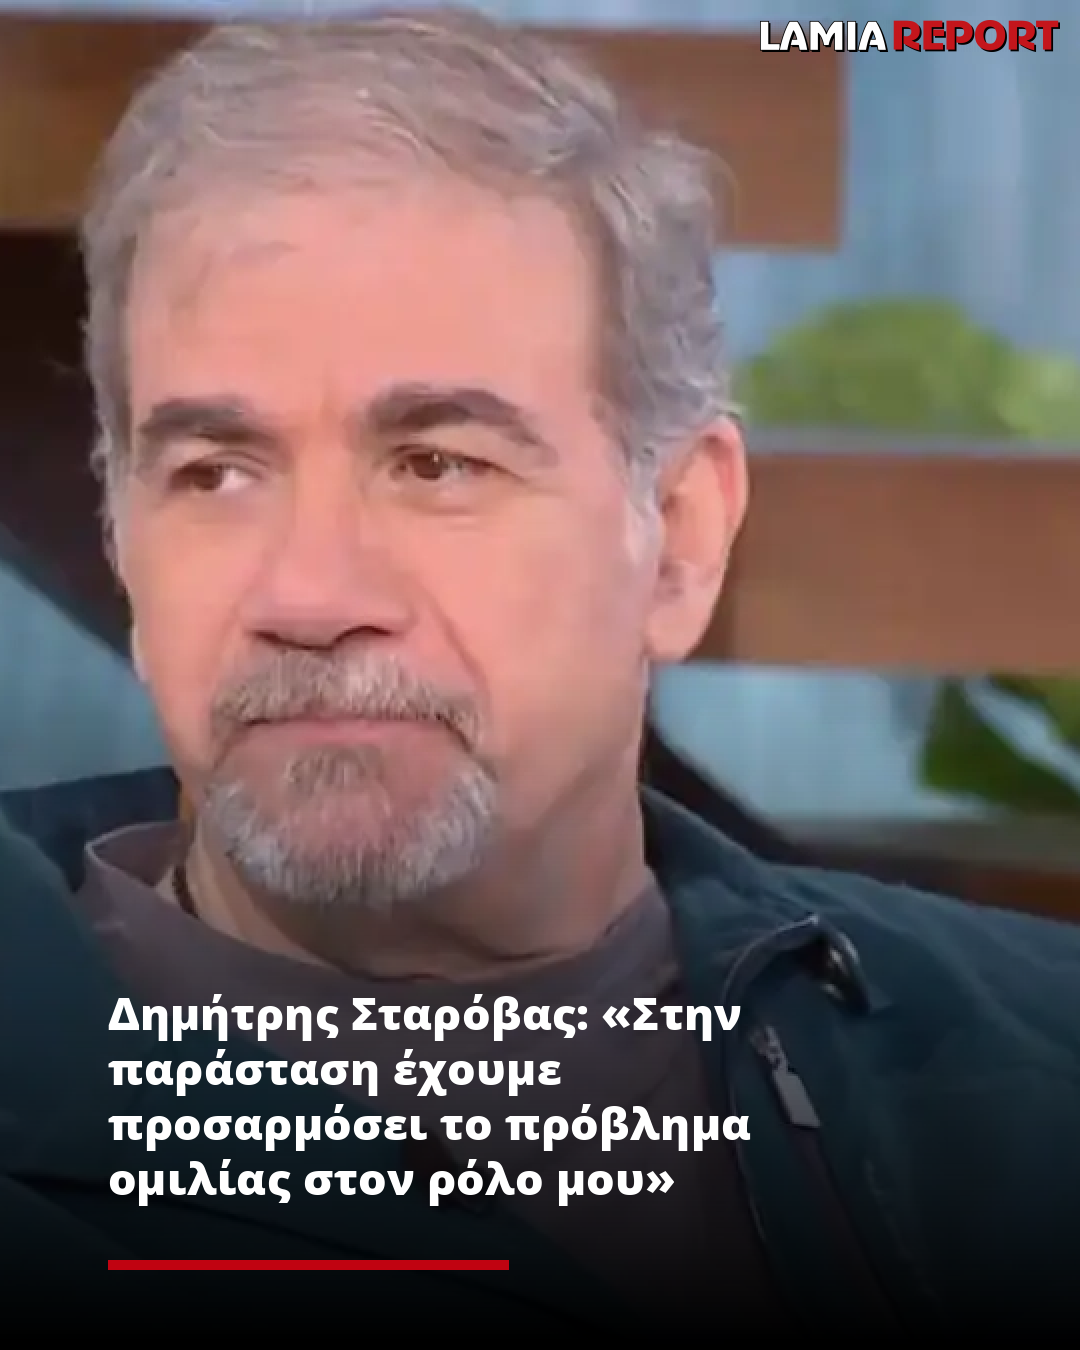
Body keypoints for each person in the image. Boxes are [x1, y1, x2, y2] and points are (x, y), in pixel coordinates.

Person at [2, 8, 1079, 1335]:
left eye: (437, 463)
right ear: (120, 531)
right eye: (215, 473)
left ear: (679, 536)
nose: (310, 596)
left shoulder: (1034, 1078)